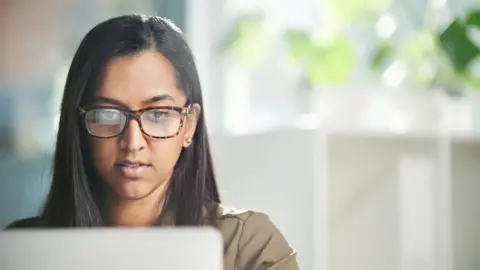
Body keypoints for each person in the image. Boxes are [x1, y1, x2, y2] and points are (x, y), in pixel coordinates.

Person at [4, 14, 300, 270]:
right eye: (108, 114)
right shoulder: (24, 251)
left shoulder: (248, 246)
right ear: (79, 123)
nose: (132, 142)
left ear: (190, 125)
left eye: (158, 114)